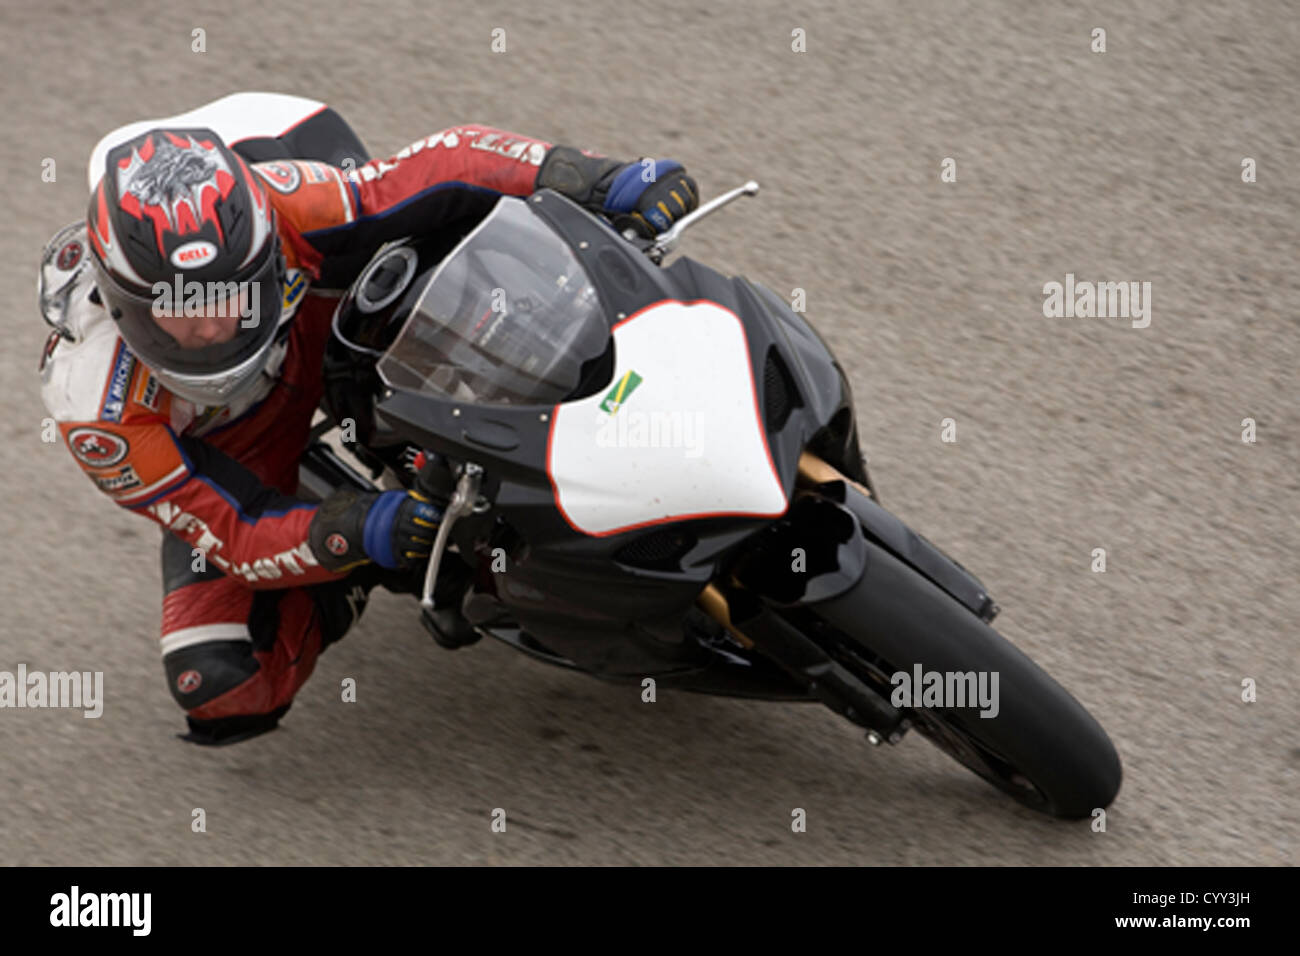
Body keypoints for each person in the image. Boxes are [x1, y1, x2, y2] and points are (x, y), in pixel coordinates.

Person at [38, 101, 699, 745]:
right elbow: (234, 529)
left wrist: (595, 177)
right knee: (220, 687)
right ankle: (345, 549)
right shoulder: (98, 409)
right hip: (238, 459)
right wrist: (362, 532)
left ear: (261, 256)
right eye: (181, 312)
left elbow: (439, 166)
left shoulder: (282, 207)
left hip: (312, 332)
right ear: (124, 306)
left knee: (435, 250)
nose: (212, 329)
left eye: (230, 296)